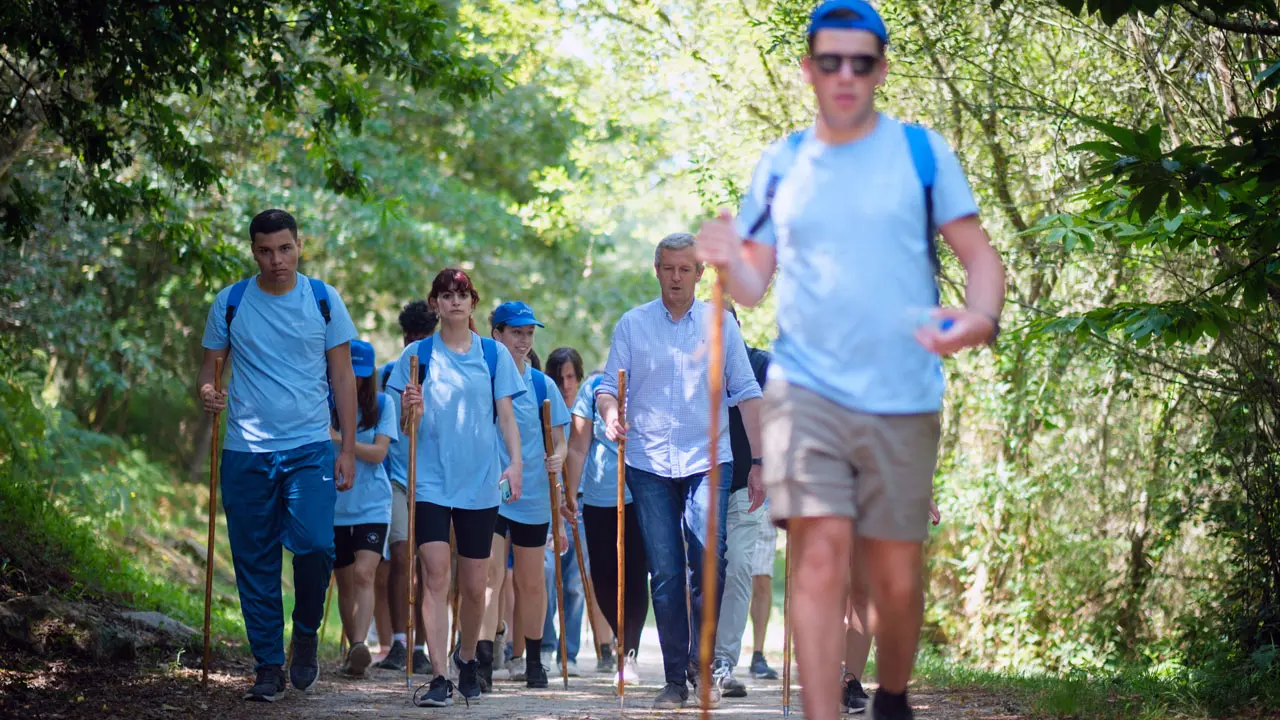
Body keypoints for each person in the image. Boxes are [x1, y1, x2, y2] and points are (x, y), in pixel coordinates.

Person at [695, 2, 1006, 718]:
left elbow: (980, 258)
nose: (844, 75)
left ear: (880, 69)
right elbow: (753, 284)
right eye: (830, 61)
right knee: (819, 556)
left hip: (903, 393)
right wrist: (727, 258)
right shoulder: (782, 164)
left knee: (895, 576)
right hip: (805, 391)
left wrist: (978, 320)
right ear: (808, 69)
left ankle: (892, 693)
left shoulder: (922, 154)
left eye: (860, 63)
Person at [596, 232, 765, 710]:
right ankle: (675, 680)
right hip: (647, 463)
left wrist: (759, 462)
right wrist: (610, 414)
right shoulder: (633, 324)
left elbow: (747, 392)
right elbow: (608, 388)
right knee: (667, 573)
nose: (675, 277)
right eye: (668, 268)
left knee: (710, 562)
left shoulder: (721, 325)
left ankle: (701, 664)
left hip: (708, 460)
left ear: (699, 274)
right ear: (657, 270)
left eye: (684, 269)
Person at [197, 208, 360, 701]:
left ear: (299, 246)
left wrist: (347, 447)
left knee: (316, 545)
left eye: (285, 248)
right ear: (254, 252)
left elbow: (343, 376)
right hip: (245, 450)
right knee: (255, 561)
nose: (276, 260)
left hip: (309, 446)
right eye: (266, 251)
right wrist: (208, 393)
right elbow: (210, 370)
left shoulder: (323, 300)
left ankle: (305, 631)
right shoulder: (231, 302)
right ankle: (268, 664)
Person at [385, 269, 525, 707]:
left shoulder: (493, 354)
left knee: (475, 582)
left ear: (473, 302)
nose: (455, 302)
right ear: (435, 304)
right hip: (430, 482)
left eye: (462, 295)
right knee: (434, 574)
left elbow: (506, 415)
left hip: (480, 483)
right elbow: (405, 428)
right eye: (446, 295)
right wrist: (411, 408)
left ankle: (465, 659)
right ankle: (439, 676)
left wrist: (516, 464)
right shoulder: (417, 356)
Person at [478, 302, 570, 691]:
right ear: (496, 334)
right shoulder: (482, 379)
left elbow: (561, 439)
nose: (524, 340)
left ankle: (533, 661)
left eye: (529, 333)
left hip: (532, 495)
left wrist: (558, 457)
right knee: (490, 576)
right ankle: (482, 661)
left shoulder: (542, 385)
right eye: (516, 332)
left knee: (532, 582)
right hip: (488, 493)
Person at [563, 364, 648, 686]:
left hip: (642, 493)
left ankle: (629, 651)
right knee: (602, 576)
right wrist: (570, 494)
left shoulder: (649, 382)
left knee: (636, 574)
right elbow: (577, 446)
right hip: (599, 495)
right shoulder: (592, 389)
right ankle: (619, 636)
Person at [711, 306, 776, 698]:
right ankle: (694, 660)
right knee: (700, 573)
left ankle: (723, 662)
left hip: (746, 486)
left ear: (738, 326)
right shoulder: (694, 364)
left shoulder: (762, 364)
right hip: (699, 484)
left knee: (738, 569)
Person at [540, 347, 616, 675]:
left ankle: (568, 652)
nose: (566, 384)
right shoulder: (545, 409)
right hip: (547, 501)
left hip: (582, 500)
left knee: (575, 580)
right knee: (546, 574)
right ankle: (545, 645)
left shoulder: (588, 409)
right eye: (560, 378)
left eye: (571, 377)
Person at [374, 300, 438, 674]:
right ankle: (399, 643)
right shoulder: (388, 375)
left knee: (432, 565)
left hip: (436, 483)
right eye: (409, 337)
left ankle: (424, 646)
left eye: (421, 337)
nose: (414, 343)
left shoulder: (446, 371)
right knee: (400, 557)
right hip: (397, 477)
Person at [330, 339, 399, 677]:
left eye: (360, 373)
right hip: (336, 505)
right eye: (349, 371)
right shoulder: (326, 403)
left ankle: (359, 646)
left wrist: (341, 441)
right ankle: (355, 648)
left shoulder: (382, 405)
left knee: (364, 574)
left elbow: (379, 453)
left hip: (373, 503)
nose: (354, 380)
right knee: (344, 581)